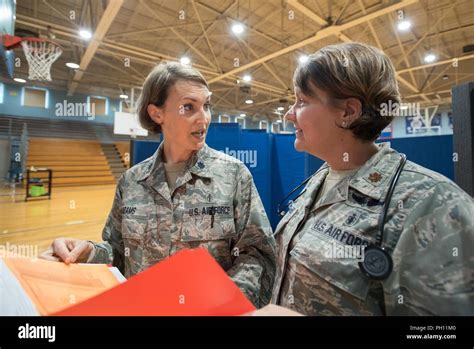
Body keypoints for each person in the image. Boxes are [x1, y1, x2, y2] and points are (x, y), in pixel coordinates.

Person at [254, 42, 474, 316]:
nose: (289, 114)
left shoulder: (433, 205)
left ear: (348, 112)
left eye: (301, 101)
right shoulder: (322, 178)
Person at [40, 62, 276, 307]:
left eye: (206, 106)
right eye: (189, 107)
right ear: (157, 114)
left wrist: (226, 303)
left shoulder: (234, 175)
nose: (203, 117)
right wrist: (88, 252)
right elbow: (118, 253)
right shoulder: (131, 182)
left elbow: (258, 256)